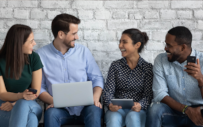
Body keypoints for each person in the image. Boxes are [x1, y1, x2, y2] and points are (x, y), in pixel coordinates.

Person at [36, 13, 104, 127]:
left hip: (86, 108)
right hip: (59, 109)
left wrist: (95, 97)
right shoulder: (41, 55)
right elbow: (39, 87)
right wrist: (53, 101)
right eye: (74, 33)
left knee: (94, 111)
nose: (77, 37)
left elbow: (97, 78)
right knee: (50, 114)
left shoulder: (83, 51)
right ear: (61, 34)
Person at [146, 26, 203, 127]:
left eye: (169, 45)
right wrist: (186, 109)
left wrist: (200, 79)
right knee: (155, 109)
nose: (165, 48)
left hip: (198, 112)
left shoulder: (201, 61)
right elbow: (159, 93)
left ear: (183, 47)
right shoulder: (161, 60)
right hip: (174, 111)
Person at [102, 28, 153, 127]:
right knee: (113, 118)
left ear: (137, 45)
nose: (120, 45)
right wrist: (110, 104)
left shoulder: (147, 68)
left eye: (124, 42)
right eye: (120, 42)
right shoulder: (115, 66)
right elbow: (108, 92)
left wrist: (140, 105)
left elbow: (148, 95)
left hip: (137, 110)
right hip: (117, 109)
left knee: (133, 117)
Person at [0, 24, 43, 127]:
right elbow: (2, 93)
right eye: (31, 41)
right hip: (4, 105)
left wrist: (15, 103)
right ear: (19, 43)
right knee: (31, 120)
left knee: (22, 105)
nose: (34, 43)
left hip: (30, 104)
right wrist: (20, 96)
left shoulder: (34, 58)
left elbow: (35, 93)